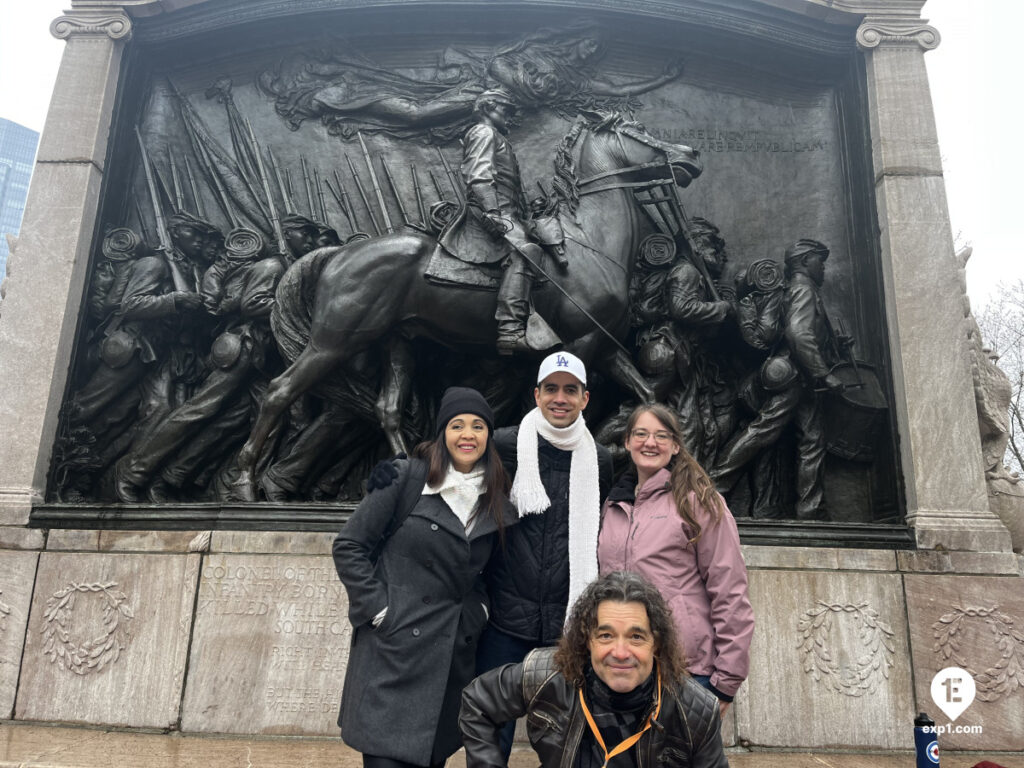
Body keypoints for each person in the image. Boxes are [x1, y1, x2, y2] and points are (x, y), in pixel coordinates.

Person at [333, 386, 517, 768]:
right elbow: (350, 546)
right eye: (458, 425)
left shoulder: (497, 501)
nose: (468, 434)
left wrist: (476, 613)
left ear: (489, 436)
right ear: (442, 433)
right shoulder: (406, 478)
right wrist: (380, 609)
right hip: (394, 654)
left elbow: (493, 575)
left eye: (478, 426)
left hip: (449, 658)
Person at [460, 570, 730, 768]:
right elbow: (477, 703)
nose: (621, 652)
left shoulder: (695, 710)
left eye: (636, 637)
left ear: (656, 644)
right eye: (606, 636)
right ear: (587, 640)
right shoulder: (545, 675)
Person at [598, 404, 753, 714]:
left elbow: (730, 590)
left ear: (676, 445)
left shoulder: (699, 501)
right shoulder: (613, 505)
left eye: (661, 435)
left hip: (686, 668)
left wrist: (726, 680)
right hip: (624, 665)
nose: (650, 443)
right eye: (641, 434)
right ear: (627, 441)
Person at [438, 88, 554, 355]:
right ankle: (510, 331)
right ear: (488, 108)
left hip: (506, 213)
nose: (510, 118)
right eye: (506, 110)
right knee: (526, 252)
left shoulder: (498, 137)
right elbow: (479, 177)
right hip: (489, 215)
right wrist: (493, 213)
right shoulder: (483, 132)